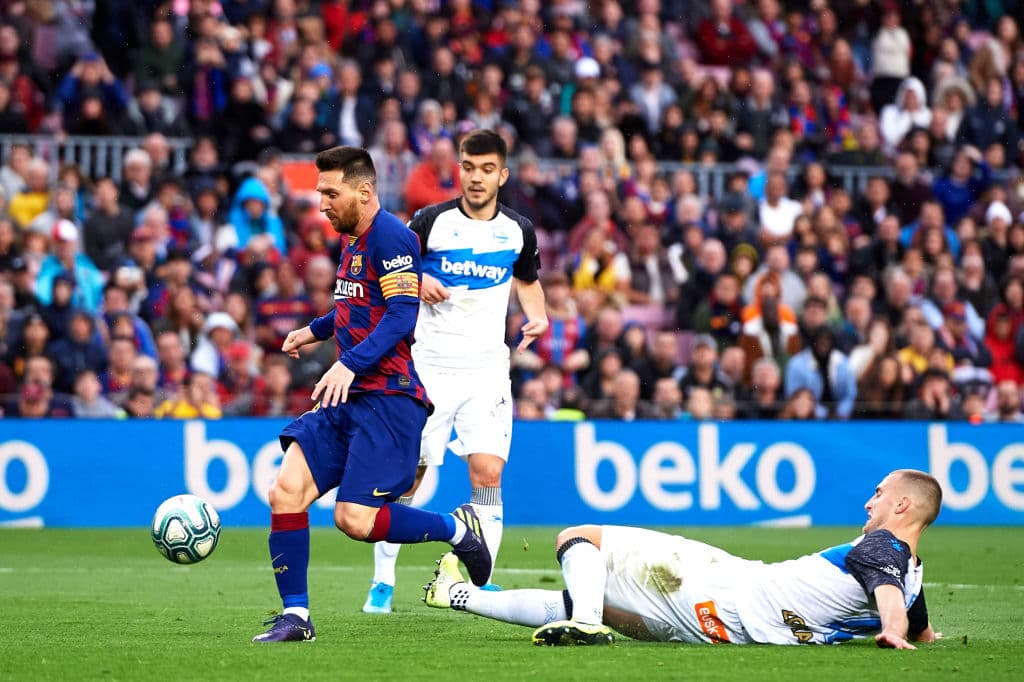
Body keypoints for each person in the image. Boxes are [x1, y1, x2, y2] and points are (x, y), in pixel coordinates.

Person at [252, 146, 492, 643]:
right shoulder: (353, 239)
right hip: (350, 392)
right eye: (319, 192)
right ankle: (296, 617)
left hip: (388, 398)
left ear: (364, 192)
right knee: (285, 491)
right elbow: (356, 303)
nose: (320, 203)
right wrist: (315, 331)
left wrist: (347, 361)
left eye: (329, 192)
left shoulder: (393, 237)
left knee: (354, 520)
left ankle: (457, 531)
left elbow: (403, 316)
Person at [425, 469, 941, 649]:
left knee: (577, 538)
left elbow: (892, 605)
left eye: (878, 494)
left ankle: (583, 623)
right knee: (598, 601)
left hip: (722, 588)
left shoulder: (881, 549)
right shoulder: (910, 569)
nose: (869, 502)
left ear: (901, 505)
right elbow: (912, 615)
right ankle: (457, 593)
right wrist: (912, 631)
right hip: (723, 631)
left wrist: (892, 629)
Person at [364, 129, 548, 613]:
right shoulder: (430, 221)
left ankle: (481, 577)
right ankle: (382, 581)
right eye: (469, 167)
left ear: (502, 175)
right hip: (428, 367)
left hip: (487, 369)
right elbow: (387, 265)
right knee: (411, 477)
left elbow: (528, 279)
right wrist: (418, 279)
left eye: (487, 169)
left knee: (487, 471)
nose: (477, 178)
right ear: (459, 170)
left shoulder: (518, 230)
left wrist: (539, 314)